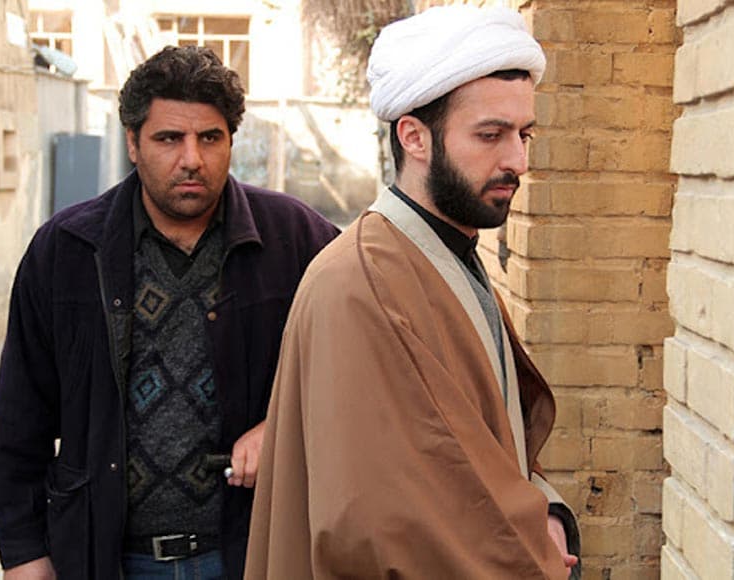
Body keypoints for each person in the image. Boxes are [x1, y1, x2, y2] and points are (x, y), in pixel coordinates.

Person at [244, 5, 581, 579]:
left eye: (523, 134)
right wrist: (529, 550)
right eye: (491, 135)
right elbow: (382, 528)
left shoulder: (444, 255)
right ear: (414, 137)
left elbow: (482, 452)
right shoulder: (360, 286)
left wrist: (542, 511)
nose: (518, 161)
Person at [0, 45, 338, 579]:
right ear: (133, 142)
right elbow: (19, 420)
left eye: (210, 138)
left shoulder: (296, 239)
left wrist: (281, 425)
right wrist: (24, 554)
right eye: (169, 138)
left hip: (253, 553)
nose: (192, 158)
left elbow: (364, 365)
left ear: (230, 140)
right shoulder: (66, 250)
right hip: (106, 557)